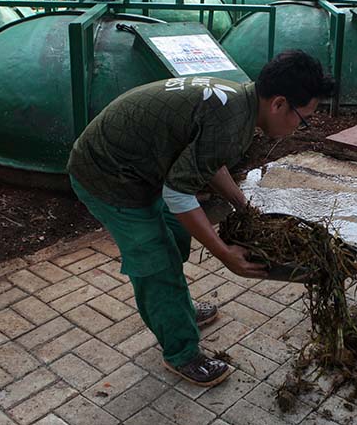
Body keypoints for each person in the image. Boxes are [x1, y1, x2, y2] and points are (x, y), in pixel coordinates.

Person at [67, 50, 335, 387]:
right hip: (107, 175)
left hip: (140, 168)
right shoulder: (233, 121)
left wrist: (242, 205)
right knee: (157, 262)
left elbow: (208, 161)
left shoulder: (240, 101)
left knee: (177, 237)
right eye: (304, 117)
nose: (300, 127)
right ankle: (181, 353)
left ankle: (177, 308)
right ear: (279, 104)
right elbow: (178, 195)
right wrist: (225, 255)